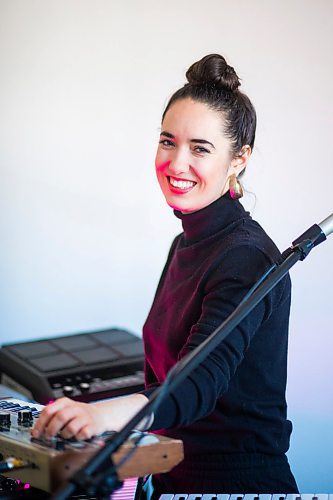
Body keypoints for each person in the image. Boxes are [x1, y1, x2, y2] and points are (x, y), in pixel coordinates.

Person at [32, 54, 298, 494]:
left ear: (239, 158)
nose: (176, 164)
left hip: (237, 484)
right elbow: (163, 378)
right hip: (172, 477)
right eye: (167, 141)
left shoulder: (247, 258)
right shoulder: (186, 243)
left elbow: (196, 382)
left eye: (200, 148)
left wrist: (104, 415)